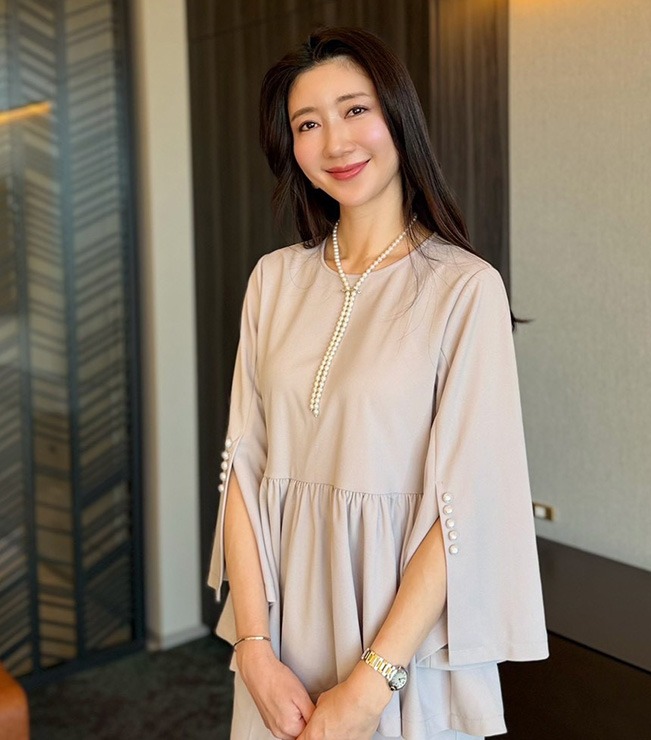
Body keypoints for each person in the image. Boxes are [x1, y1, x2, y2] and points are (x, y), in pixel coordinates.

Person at [208, 27, 548, 740]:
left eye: (355, 109)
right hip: (279, 640)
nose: (335, 141)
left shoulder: (465, 289)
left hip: (400, 648)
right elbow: (244, 470)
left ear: (398, 116)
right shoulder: (273, 280)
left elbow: (465, 509)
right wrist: (255, 650)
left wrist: (370, 688)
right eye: (308, 123)